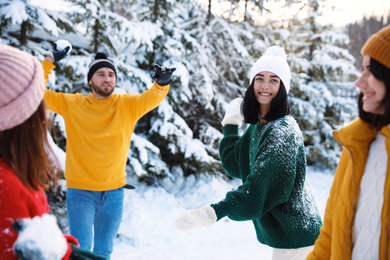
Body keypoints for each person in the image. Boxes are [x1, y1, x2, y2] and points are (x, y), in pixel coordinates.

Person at [175, 46, 322, 260]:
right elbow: (236, 165)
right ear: (252, 83)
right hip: (289, 237)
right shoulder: (259, 126)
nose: (265, 86)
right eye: (260, 78)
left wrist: (213, 212)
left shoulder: (283, 131)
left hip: (300, 237)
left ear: (283, 88)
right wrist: (230, 126)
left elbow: (258, 190)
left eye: (274, 80)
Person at [42, 40, 175, 258]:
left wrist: (162, 84)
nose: (107, 78)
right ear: (90, 80)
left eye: (111, 74)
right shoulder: (73, 104)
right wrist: (49, 61)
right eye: (101, 74)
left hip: (114, 192)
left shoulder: (126, 105)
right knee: (81, 251)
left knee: (104, 250)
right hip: (81, 192)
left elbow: (152, 98)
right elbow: (39, 92)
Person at [0, 45, 105, 259]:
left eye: (111, 74)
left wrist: (64, 250)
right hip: (81, 186)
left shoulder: (122, 104)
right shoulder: (9, 187)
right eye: (39, 106)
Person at [307, 25, 390, 260]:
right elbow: (331, 235)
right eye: (362, 70)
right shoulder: (357, 145)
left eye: (370, 72)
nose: (359, 82)